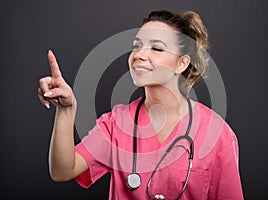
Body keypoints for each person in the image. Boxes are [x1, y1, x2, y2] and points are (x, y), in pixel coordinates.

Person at [38, 10, 244, 200]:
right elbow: (62, 171)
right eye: (136, 46)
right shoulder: (116, 123)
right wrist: (66, 110)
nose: (139, 55)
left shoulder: (218, 134)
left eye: (156, 48)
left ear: (181, 63)